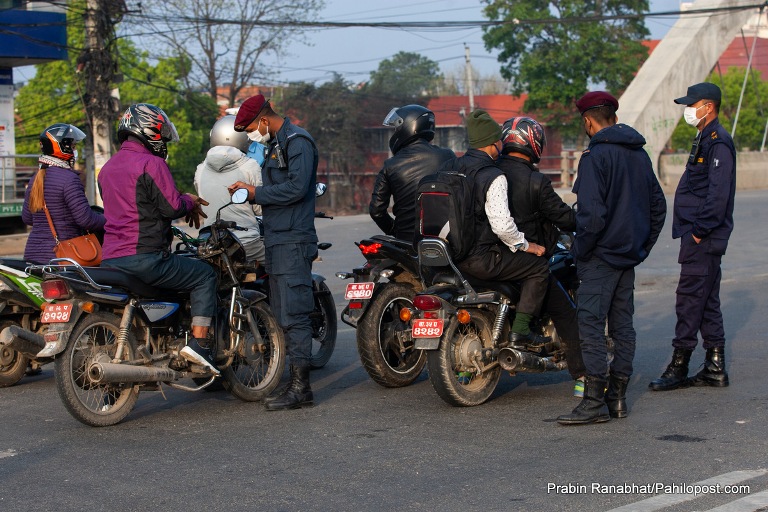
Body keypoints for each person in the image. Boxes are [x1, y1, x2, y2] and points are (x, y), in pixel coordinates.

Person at [557, 92, 666, 425]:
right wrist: (640, 247)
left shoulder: (594, 157)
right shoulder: (640, 155)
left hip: (600, 258)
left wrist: (581, 251)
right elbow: (658, 209)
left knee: (590, 326)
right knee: (623, 328)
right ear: (613, 117)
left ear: (588, 121)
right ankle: (617, 399)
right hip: (627, 258)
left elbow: (590, 217)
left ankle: (593, 403)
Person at [97, 104, 217, 374]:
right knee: (204, 275)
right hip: (146, 258)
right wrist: (190, 200)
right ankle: (199, 345)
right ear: (150, 132)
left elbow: (127, 209)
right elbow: (172, 207)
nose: (163, 142)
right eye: (161, 135)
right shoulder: (152, 163)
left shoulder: (106, 170)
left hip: (111, 260)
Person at [228, 94, 319, 411]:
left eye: (252, 127)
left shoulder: (298, 142)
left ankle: (302, 389)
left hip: (294, 240)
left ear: (264, 120)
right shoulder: (277, 145)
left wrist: (255, 192)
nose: (252, 134)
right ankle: (293, 384)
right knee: (283, 315)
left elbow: (297, 188)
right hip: (278, 240)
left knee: (296, 315)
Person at [649, 82, 736, 392]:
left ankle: (679, 363)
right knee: (707, 300)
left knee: (689, 298)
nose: (688, 110)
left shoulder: (718, 142)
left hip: (703, 236)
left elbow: (718, 193)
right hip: (700, 234)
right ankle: (715, 366)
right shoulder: (706, 138)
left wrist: (700, 230)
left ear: (708, 106)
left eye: (692, 104)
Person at [441, 109, 550, 343]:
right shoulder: (493, 175)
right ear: (493, 143)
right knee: (539, 267)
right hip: (480, 259)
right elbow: (502, 226)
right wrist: (526, 245)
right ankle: (521, 331)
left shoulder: (450, 166)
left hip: (451, 255)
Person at [497, 117, 585, 396]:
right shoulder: (535, 181)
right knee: (567, 314)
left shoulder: (489, 172)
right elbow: (561, 216)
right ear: (532, 143)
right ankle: (584, 378)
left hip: (489, 259)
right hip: (527, 259)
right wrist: (580, 218)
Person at [369, 104, 455, 242]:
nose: (394, 132)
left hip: (406, 241)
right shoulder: (448, 156)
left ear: (407, 126)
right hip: (445, 238)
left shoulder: (390, 165)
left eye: (396, 128)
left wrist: (394, 230)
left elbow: (376, 211)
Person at [22, 124, 106, 264]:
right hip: (63, 257)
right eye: (73, 146)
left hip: (33, 256)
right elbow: (86, 220)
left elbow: (27, 218)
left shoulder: (35, 179)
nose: (75, 150)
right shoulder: (69, 179)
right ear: (62, 148)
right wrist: (108, 219)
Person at [194, 114, 265, 265]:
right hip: (246, 243)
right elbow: (260, 209)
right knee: (278, 263)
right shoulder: (250, 166)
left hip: (211, 243)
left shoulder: (200, 169)